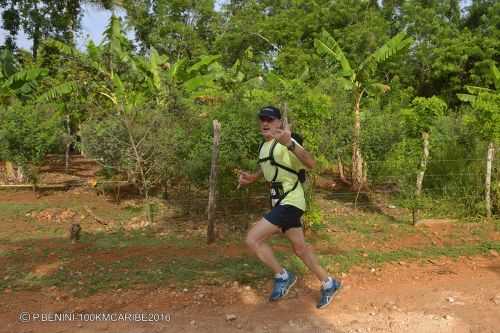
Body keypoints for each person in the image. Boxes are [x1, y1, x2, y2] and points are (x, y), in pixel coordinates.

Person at [238, 105, 341, 309]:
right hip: (280, 202)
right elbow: (267, 165)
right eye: (262, 119)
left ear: (280, 123)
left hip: (291, 200)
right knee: (300, 249)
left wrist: (290, 144)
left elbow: (311, 162)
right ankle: (329, 283)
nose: (265, 123)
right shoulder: (263, 146)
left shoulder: (287, 142)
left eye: (270, 119)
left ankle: (283, 276)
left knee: (253, 239)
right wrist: (253, 177)